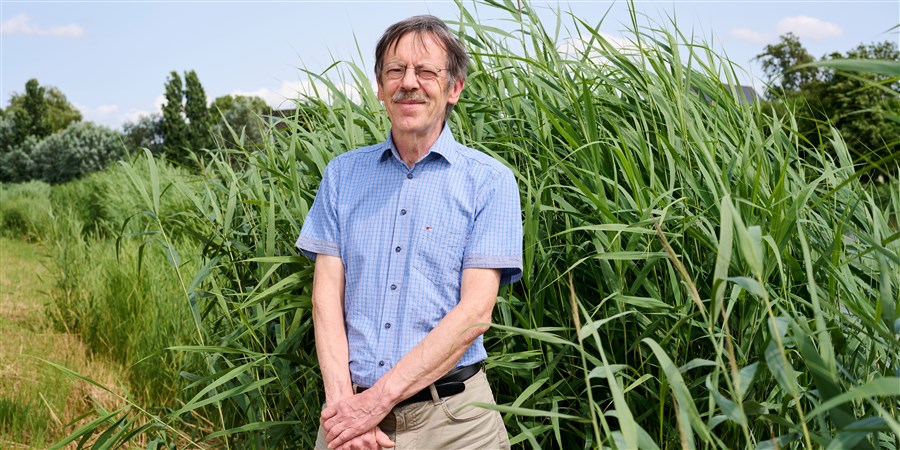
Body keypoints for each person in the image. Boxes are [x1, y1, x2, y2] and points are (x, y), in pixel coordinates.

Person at [296, 14, 522, 450]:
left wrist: (374, 404)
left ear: (454, 88)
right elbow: (325, 298)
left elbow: (476, 312)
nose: (409, 83)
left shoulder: (491, 182)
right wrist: (347, 409)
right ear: (380, 87)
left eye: (426, 71)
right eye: (395, 71)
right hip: (350, 418)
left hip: (456, 424)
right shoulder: (343, 175)